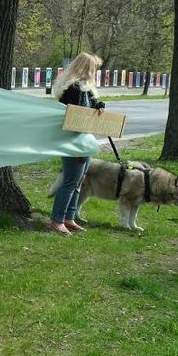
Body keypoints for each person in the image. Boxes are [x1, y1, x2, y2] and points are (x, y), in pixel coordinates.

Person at [49, 52, 105, 236]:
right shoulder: (75, 90)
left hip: (81, 141)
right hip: (75, 141)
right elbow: (77, 120)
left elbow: (90, 105)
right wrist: (80, 148)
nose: (95, 72)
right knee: (70, 182)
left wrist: (98, 104)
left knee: (78, 181)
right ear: (87, 69)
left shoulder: (83, 89)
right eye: (94, 68)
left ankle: (69, 218)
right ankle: (57, 220)